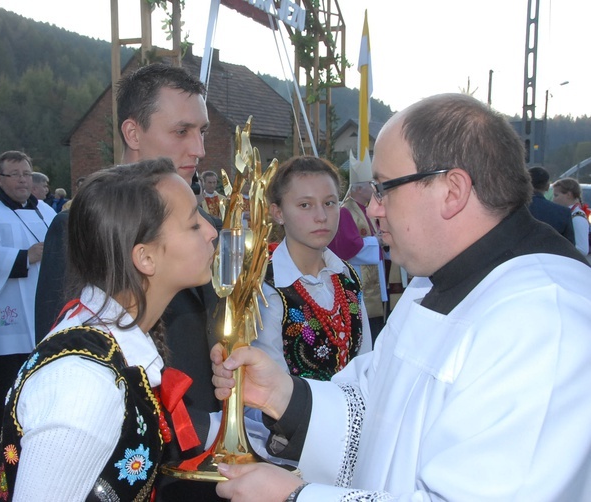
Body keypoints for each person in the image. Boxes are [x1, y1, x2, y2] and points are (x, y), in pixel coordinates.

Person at [210, 94, 591, 501]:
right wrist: (281, 395)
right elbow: (375, 406)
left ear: (452, 190)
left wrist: (297, 498)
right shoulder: (430, 285)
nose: (372, 208)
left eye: (384, 188)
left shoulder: (546, 319)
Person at [0, 158, 217, 500]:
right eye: (193, 224)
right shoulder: (84, 385)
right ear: (145, 258)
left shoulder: (114, 340)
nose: (212, 230)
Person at [0, 150, 56, 456]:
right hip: (9, 310)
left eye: (26, 173)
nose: (22, 179)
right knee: (5, 381)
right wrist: (25, 257)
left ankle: (35, 439)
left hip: (43, 305)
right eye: (15, 174)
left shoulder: (46, 211)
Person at [253, 156, 371, 380]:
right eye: (305, 205)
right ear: (278, 213)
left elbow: (366, 363)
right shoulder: (266, 290)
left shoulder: (347, 277)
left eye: (329, 203)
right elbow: (270, 386)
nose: (321, 217)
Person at [328, 159, 387, 340]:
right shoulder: (346, 211)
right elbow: (348, 246)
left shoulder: (365, 209)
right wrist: (375, 241)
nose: (374, 189)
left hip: (373, 273)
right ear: (359, 189)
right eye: (371, 185)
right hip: (358, 276)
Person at [527, 166, 574, 243]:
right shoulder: (563, 213)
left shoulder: (511, 209)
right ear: (547, 187)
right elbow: (570, 247)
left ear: (526, 184)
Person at [552, 177, 590, 256]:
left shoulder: (577, 217)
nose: (553, 200)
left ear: (569, 195)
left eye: (556, 195)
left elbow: (582, 249)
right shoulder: (570, 214)